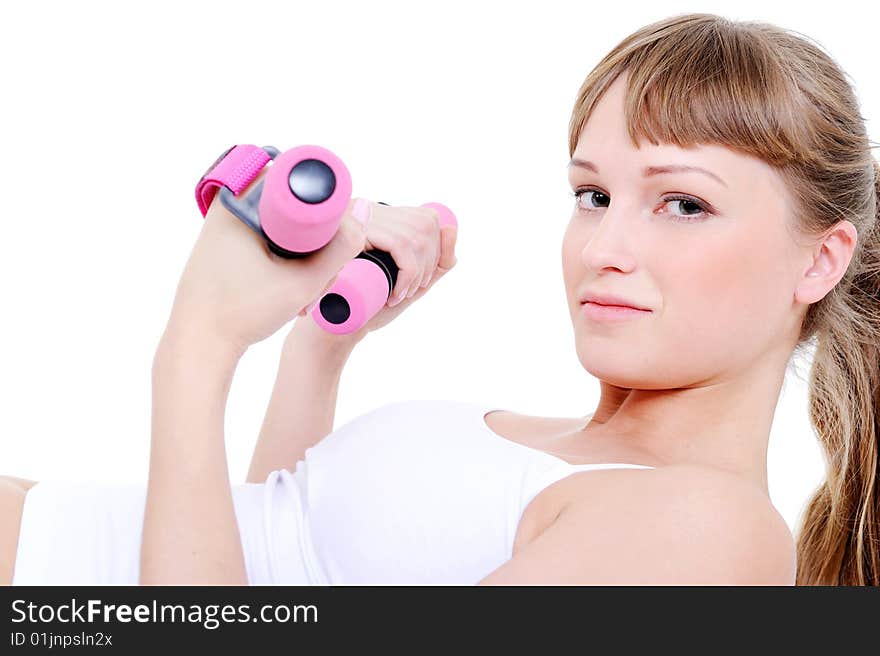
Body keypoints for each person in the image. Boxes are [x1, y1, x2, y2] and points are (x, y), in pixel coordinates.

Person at [3, 12, 878, 586]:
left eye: (683, 203)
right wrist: (320, 345)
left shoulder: (708, 529)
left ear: (820, 260)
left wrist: (196, 350)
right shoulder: (585, 462)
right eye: (592, 195)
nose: (604, 249)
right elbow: (279, 550)